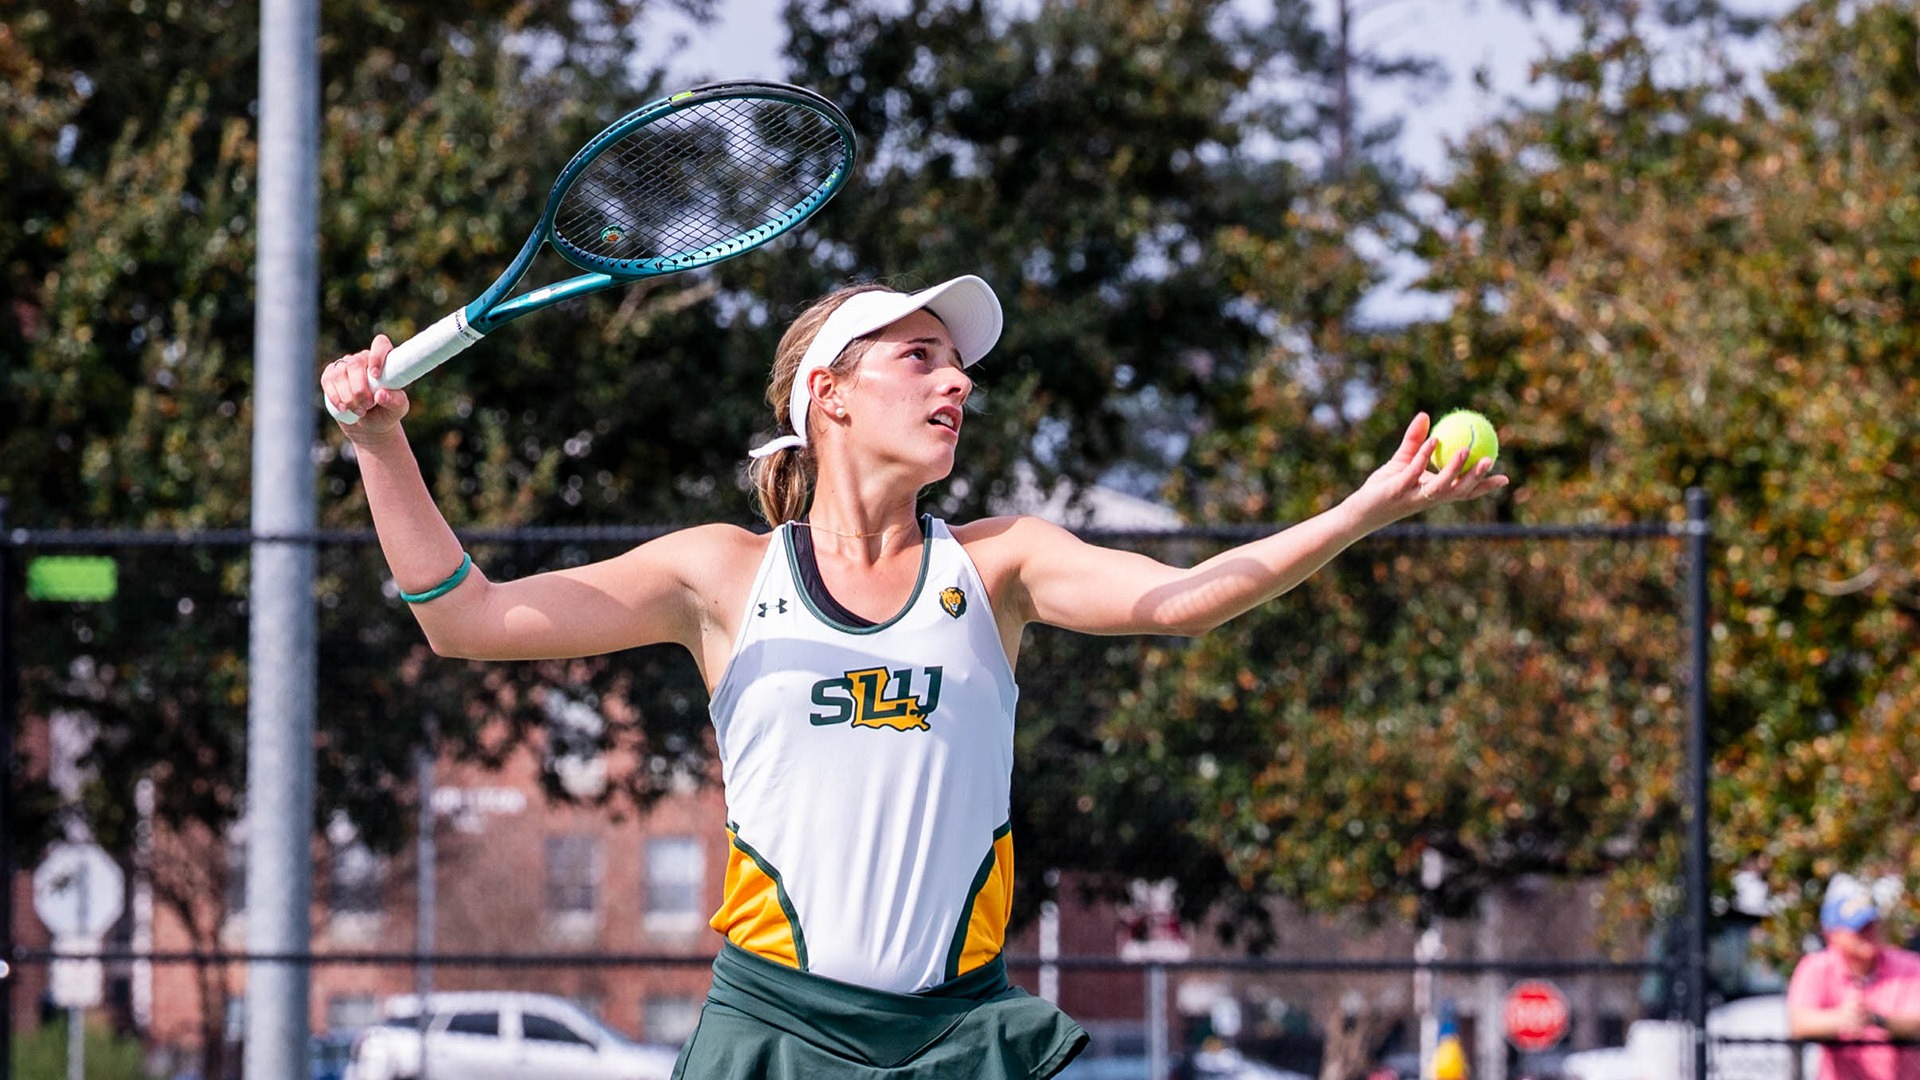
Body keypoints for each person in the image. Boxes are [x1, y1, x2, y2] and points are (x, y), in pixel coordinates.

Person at [321, 274, 1505, 1079]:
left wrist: (1366, 507)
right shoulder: (723, 576)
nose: (958, 384)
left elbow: (1187, 600)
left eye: (959, 365)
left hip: (956, 1034)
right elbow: (465, 618)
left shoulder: (1001, 565)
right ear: (828, 394)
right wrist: (381, 442)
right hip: (775, 1028)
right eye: (921, 357)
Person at [1788, 884, 1920, 1080]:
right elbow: (1799, 1023)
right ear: (1831, 934)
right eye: (1859, 928)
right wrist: (1841, 1019)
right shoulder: (1816, 967)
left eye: (1871, 924)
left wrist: (1876, 1020)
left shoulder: (1909, 966)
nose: (1869, 932)